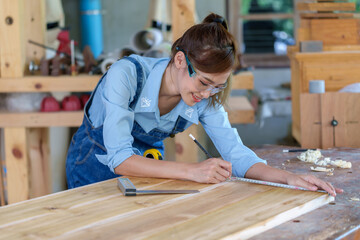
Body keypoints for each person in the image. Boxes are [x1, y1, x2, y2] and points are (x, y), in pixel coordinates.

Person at [66, 13, 342, 197]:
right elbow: (121, 159)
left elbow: (236, 154)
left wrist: (287, 178)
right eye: (204, 81)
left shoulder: (203, 95)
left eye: (218, 86)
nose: (208, 94)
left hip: (151, 166)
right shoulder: (125, 75)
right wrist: (192, 170)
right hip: (95, 163)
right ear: (179, 61)